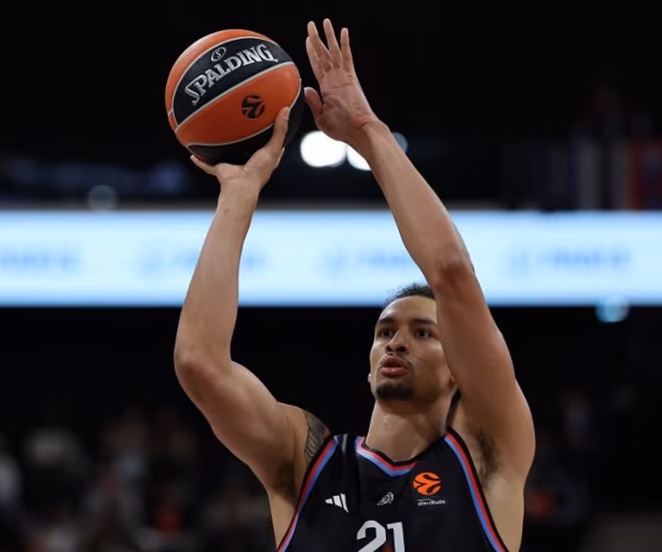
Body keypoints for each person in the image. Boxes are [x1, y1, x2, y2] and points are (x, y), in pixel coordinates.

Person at [173, 19, 535, 552]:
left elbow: (452, 273)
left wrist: (368, 131)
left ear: (462, 366)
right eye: (386, 330)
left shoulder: (487, 453)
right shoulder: (307, 462)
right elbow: (199, 364)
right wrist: (238, 193)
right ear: (367, 361)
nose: (397, 341)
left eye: (424, 333)